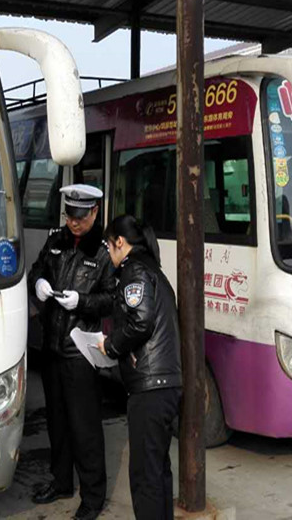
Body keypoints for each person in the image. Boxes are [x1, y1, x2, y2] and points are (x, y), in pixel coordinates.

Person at [28, 184, 114, 520]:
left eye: (80, 216)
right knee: (57, 422)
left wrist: (83, 302)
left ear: (94, 212)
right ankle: (61, 481)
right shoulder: (56, 241)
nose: (74, 222)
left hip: (80, 351)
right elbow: (37, 270)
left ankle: (93, 497)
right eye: (69, 215)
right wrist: (39, 284)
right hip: (52, 345)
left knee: (85, 427)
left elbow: (111, 299)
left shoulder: (103, 252)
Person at [97, 214, 182, 520]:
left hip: (150, 387)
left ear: (120, 242)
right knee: (158, 471)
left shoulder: (134, 271)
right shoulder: (153, 270)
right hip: (165, 384)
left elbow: (140, 322)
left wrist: (110, 345)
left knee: (145, 477)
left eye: (109, 245)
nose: (108, 252)